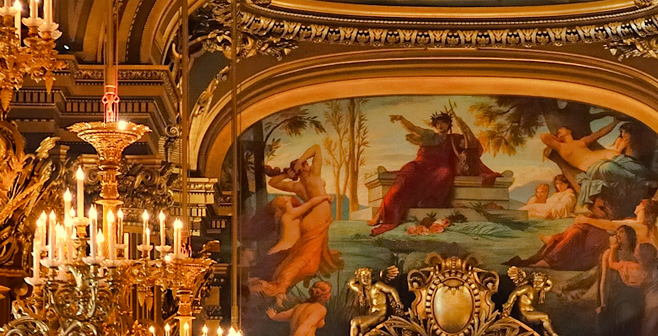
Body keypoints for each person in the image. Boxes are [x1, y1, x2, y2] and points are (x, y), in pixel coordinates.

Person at [368, 110, 497, 235]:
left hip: (439, 168)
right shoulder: (429, 135)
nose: (441, 125)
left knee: (446, 173)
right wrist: (401, 119)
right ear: (435, 125)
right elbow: (413, 128)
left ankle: (426, 201)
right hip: (421, 165)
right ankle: (381, 215)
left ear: (448, 124)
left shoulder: (454, 139)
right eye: (438, 123)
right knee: (405, 177)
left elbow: (471, 144)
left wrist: (463, 124)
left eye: (444, 123)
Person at [254, 145, 340, 305]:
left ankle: (285, 283)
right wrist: (298, 163)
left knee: (310, 263)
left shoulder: (297, 186)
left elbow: (273, 181)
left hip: (315, 220)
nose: (307, 164)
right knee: (305, 258)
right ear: (303, 168)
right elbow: (316, 148)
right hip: (316, 220)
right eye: (305, 164)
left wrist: (288, 173)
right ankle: (282, 286)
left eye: (306, 163)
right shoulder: (313, 176)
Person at [541, 121, 658, 217]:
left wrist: (615, 122)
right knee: (610, 168)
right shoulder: (561, 147)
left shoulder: (581, 142)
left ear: (569, 131)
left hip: (604, 155)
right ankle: (644, 182)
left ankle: (652, 177)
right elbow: (544, 137)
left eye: (560, 130)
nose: (558, 133)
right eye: (557, 133)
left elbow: (600, 133)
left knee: (628, 163)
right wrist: (556, 139)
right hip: (594, 166)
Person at [511, 194, 612, 271]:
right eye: (601, 208)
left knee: (576, 232)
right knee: (576, 230)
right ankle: (555, 240)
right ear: (593, 208)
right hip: (582, 253)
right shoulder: (593, 218)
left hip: (589, 258)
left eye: (607, 207)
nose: (605, 211)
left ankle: (551, 252)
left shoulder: (607, 222)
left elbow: (610, 228)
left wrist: (586, 220)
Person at [267, 281, 332, 336]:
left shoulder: (299, 306)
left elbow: (284, 315)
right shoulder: (320, 309)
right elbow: (305, 325)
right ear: (325, 296)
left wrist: (273, 317)